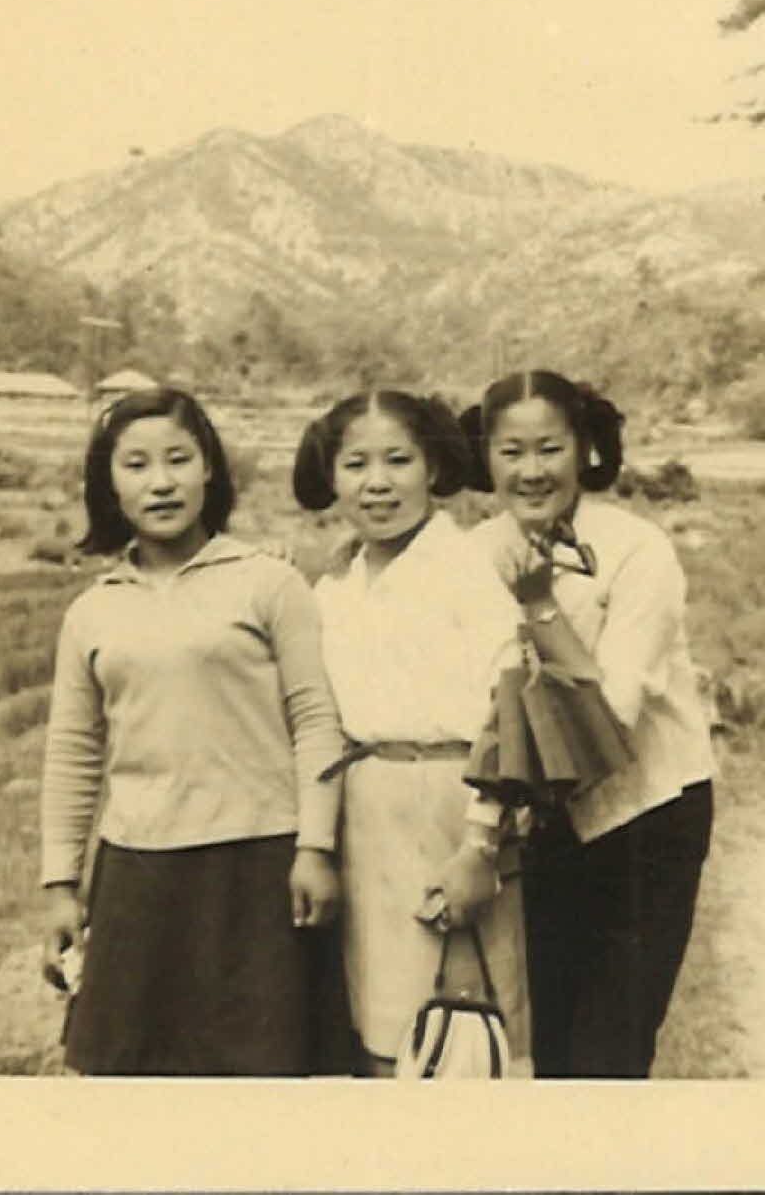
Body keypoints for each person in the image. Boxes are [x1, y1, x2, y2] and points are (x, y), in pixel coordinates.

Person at [38, 387, 346, 1076]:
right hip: (139, 872)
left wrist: (316, 846)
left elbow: (316, 719)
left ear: (209, 467)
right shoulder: (93, 611)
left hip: (258, 867)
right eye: (137, 465)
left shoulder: (268, 583)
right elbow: (73, 752)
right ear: (109, 484)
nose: (161, 482)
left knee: (264, 1077)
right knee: (138, 1081)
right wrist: (60, 884)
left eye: (179, 459)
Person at [461, 370, 714, 1079]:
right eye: (511, 451)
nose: (531, 471)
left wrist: (538, 603)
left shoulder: (637, 550)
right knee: (543, 1046)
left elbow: (606, 723)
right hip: (536, 823)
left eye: (550, 449)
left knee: (611, 1049)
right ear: (485, 456)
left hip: (643, 816)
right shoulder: (474, 549)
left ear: (584, 449)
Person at [293, 389, 532, 1076]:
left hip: (456, 806)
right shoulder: (335, 585)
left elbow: (508, 705)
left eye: (398, 460)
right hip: (367, 813)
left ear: (432, 466)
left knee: (465, 1024)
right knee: (382, 1022)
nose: (378, 483)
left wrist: (480, 847)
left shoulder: (465, 567)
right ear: (330, 476)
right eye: (356, 465)